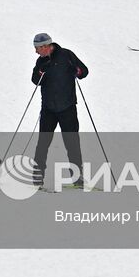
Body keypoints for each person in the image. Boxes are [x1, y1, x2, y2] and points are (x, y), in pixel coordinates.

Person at [31, 32, 87, 189]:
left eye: (37, 48)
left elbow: (84, 71)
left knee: (72, 142)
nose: (36, 52)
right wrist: (41, 71)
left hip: (67, 107)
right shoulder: (40, 61)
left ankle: (77, 177)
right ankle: (37, 175)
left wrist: (76, 70)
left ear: (45, 46)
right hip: (49, 108)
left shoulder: (66, 55)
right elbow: (35, 80)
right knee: (43, 142)